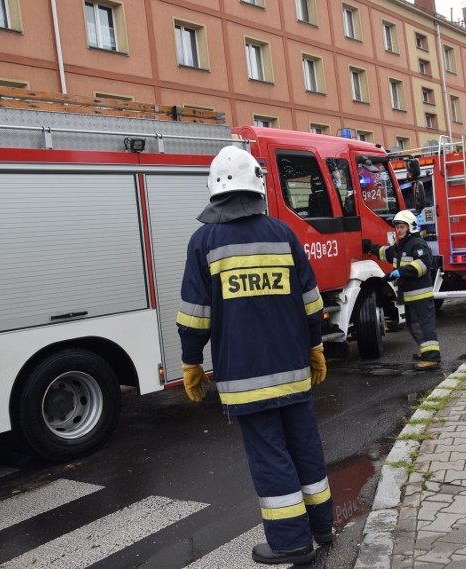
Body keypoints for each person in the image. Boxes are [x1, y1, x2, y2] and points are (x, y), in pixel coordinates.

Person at [176, 146, 333, 566]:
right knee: (305, 449)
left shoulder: (204, 241)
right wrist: (315, 347)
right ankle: (322, 526)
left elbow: (195, 317)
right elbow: (312, 305)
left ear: (214, 188)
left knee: (271, 458)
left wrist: (191, 361)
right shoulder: (284, 235)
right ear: (258, 184)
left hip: (245, 379)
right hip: (295, 370)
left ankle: (290, 542)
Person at [363, 210, 441, 371]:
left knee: (424, 325)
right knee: (414, 325)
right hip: (409, 296)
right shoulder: (402, 245)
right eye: (397, 227)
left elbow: (424, 264)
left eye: (402, 227)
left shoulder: (417, 244)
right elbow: (388, 253)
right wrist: (371, 248)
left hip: (420, 295)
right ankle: (425, 352)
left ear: (410, 226)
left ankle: (432, 358)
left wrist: (400, 272)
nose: (399, 230)